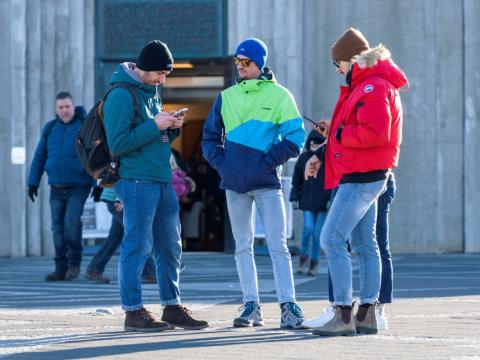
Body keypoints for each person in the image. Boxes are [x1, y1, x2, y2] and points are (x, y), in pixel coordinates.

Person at [304, 28, 407, 336]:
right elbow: (365, 127)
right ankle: (367, 315)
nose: (337, 69)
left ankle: (343, 313)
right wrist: (333, 133)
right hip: (369, 173)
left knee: (331, 239)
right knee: (365, 244)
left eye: (338, 63)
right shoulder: (371, 84)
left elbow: (375, 132)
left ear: (352, 60)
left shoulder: (371, 87)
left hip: (362, 176)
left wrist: (338, 134)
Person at [103, 40, 208, 332]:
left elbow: (153, 141)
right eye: (161, 73)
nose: (164, 79)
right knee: (137, 246)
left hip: (161, 180)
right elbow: (118, 143)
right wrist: (156, 125)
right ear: (146, 67)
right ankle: (133, 312)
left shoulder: (152, 93)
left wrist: (170, 129)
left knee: (170, 247)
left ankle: (172, 307)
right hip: (136, 181)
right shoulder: (121, 95)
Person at [202, 38, 306, 329]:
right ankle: (251, 306)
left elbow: (296, 138)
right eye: (237, 61)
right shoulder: (227, 96)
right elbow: (209, 139)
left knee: (278, 245)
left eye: (245, 61)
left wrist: (268, 161)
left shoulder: (280, 96)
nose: (240, 66)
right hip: (234, 184)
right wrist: (224, 165)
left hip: (266, 182)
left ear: (259, 63)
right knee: (242, 246)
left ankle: (289, 305)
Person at [27, 92, 95, 282]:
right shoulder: (50, 128)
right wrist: (32, 182)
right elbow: (40, 156)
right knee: (57, 230)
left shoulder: (84, 126)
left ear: (74, 107)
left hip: (79, 186)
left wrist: (97, 183)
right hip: (56, 187)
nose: (64, 110)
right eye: (61, 107)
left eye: (67, 106)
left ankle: (74, 264)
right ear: (56, 109)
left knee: (71, 224)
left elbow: (94, 156)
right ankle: (60, 268)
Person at [84, 188, 157, 284]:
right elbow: (127, 175)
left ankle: (94, 268)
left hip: (116, 198)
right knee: (136, 234)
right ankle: (150, 272)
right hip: (120, 199)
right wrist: (121, 199)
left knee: (115, 238)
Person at [289, 130, 330, 276]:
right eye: (312, 143)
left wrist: (331, 199)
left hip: (323, 203)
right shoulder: (303, 158)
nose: (314, 146)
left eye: (317, 143)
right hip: (307, 202)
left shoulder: (327, 159)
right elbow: (297, 180)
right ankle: (303, 259)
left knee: (317, 234)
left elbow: (332, 181)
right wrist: (294, 197)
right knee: (307, 230)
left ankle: (313, 263)